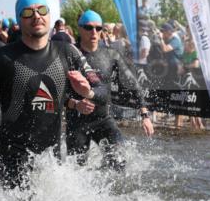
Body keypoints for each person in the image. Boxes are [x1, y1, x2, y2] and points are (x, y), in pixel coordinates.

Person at [0, 0, 95, 189]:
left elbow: (100, 87)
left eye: (41, 10)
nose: (36, 16)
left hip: (50, 156)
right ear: (19, 20)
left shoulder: (67, 52)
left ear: (49, 15)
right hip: (10, 153)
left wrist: (88, 93)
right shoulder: (2, 58)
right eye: (28, 12)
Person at [64, 10, 153, 169]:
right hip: (77, 122)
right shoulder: (69, 55)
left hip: (103, 118)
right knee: (77, 171)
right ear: (79, 29)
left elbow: (133, 83)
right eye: (89, 27)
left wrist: (144, 114)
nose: (94, 32)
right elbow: (56, 92)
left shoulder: (111, 55)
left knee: (119, 161)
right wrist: (75, 104)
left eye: (98, 28)